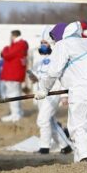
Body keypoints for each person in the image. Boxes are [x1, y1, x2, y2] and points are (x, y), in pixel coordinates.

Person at [35, 21, 87, 166]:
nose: (54, 41)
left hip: (81, 88)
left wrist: (43, 89)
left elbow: (53, 71)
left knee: (78, 127)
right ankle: (79, 163)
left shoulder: (64, 45)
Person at [31, 26, 72, 155]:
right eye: (42, 43)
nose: (43, 45)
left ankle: (44, 147)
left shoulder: (58, 56)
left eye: (45, 43)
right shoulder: (39, 59)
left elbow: (63, 76)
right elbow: (38, 76)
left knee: (42, 120)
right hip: (41, 93)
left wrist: (64, 95)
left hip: (53, 93)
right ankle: (65, 146)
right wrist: (32, 78)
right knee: (50, 121)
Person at [0, 30, 28, 123]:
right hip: (15, 73)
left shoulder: (19, 44)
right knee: (16, 93)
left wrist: (5, 49)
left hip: (13, 74)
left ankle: (15, 114)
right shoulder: (20, 45)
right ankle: (18, 113)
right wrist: (7, 49)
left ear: (13, 36)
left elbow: (7, 55)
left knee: (13, 94)